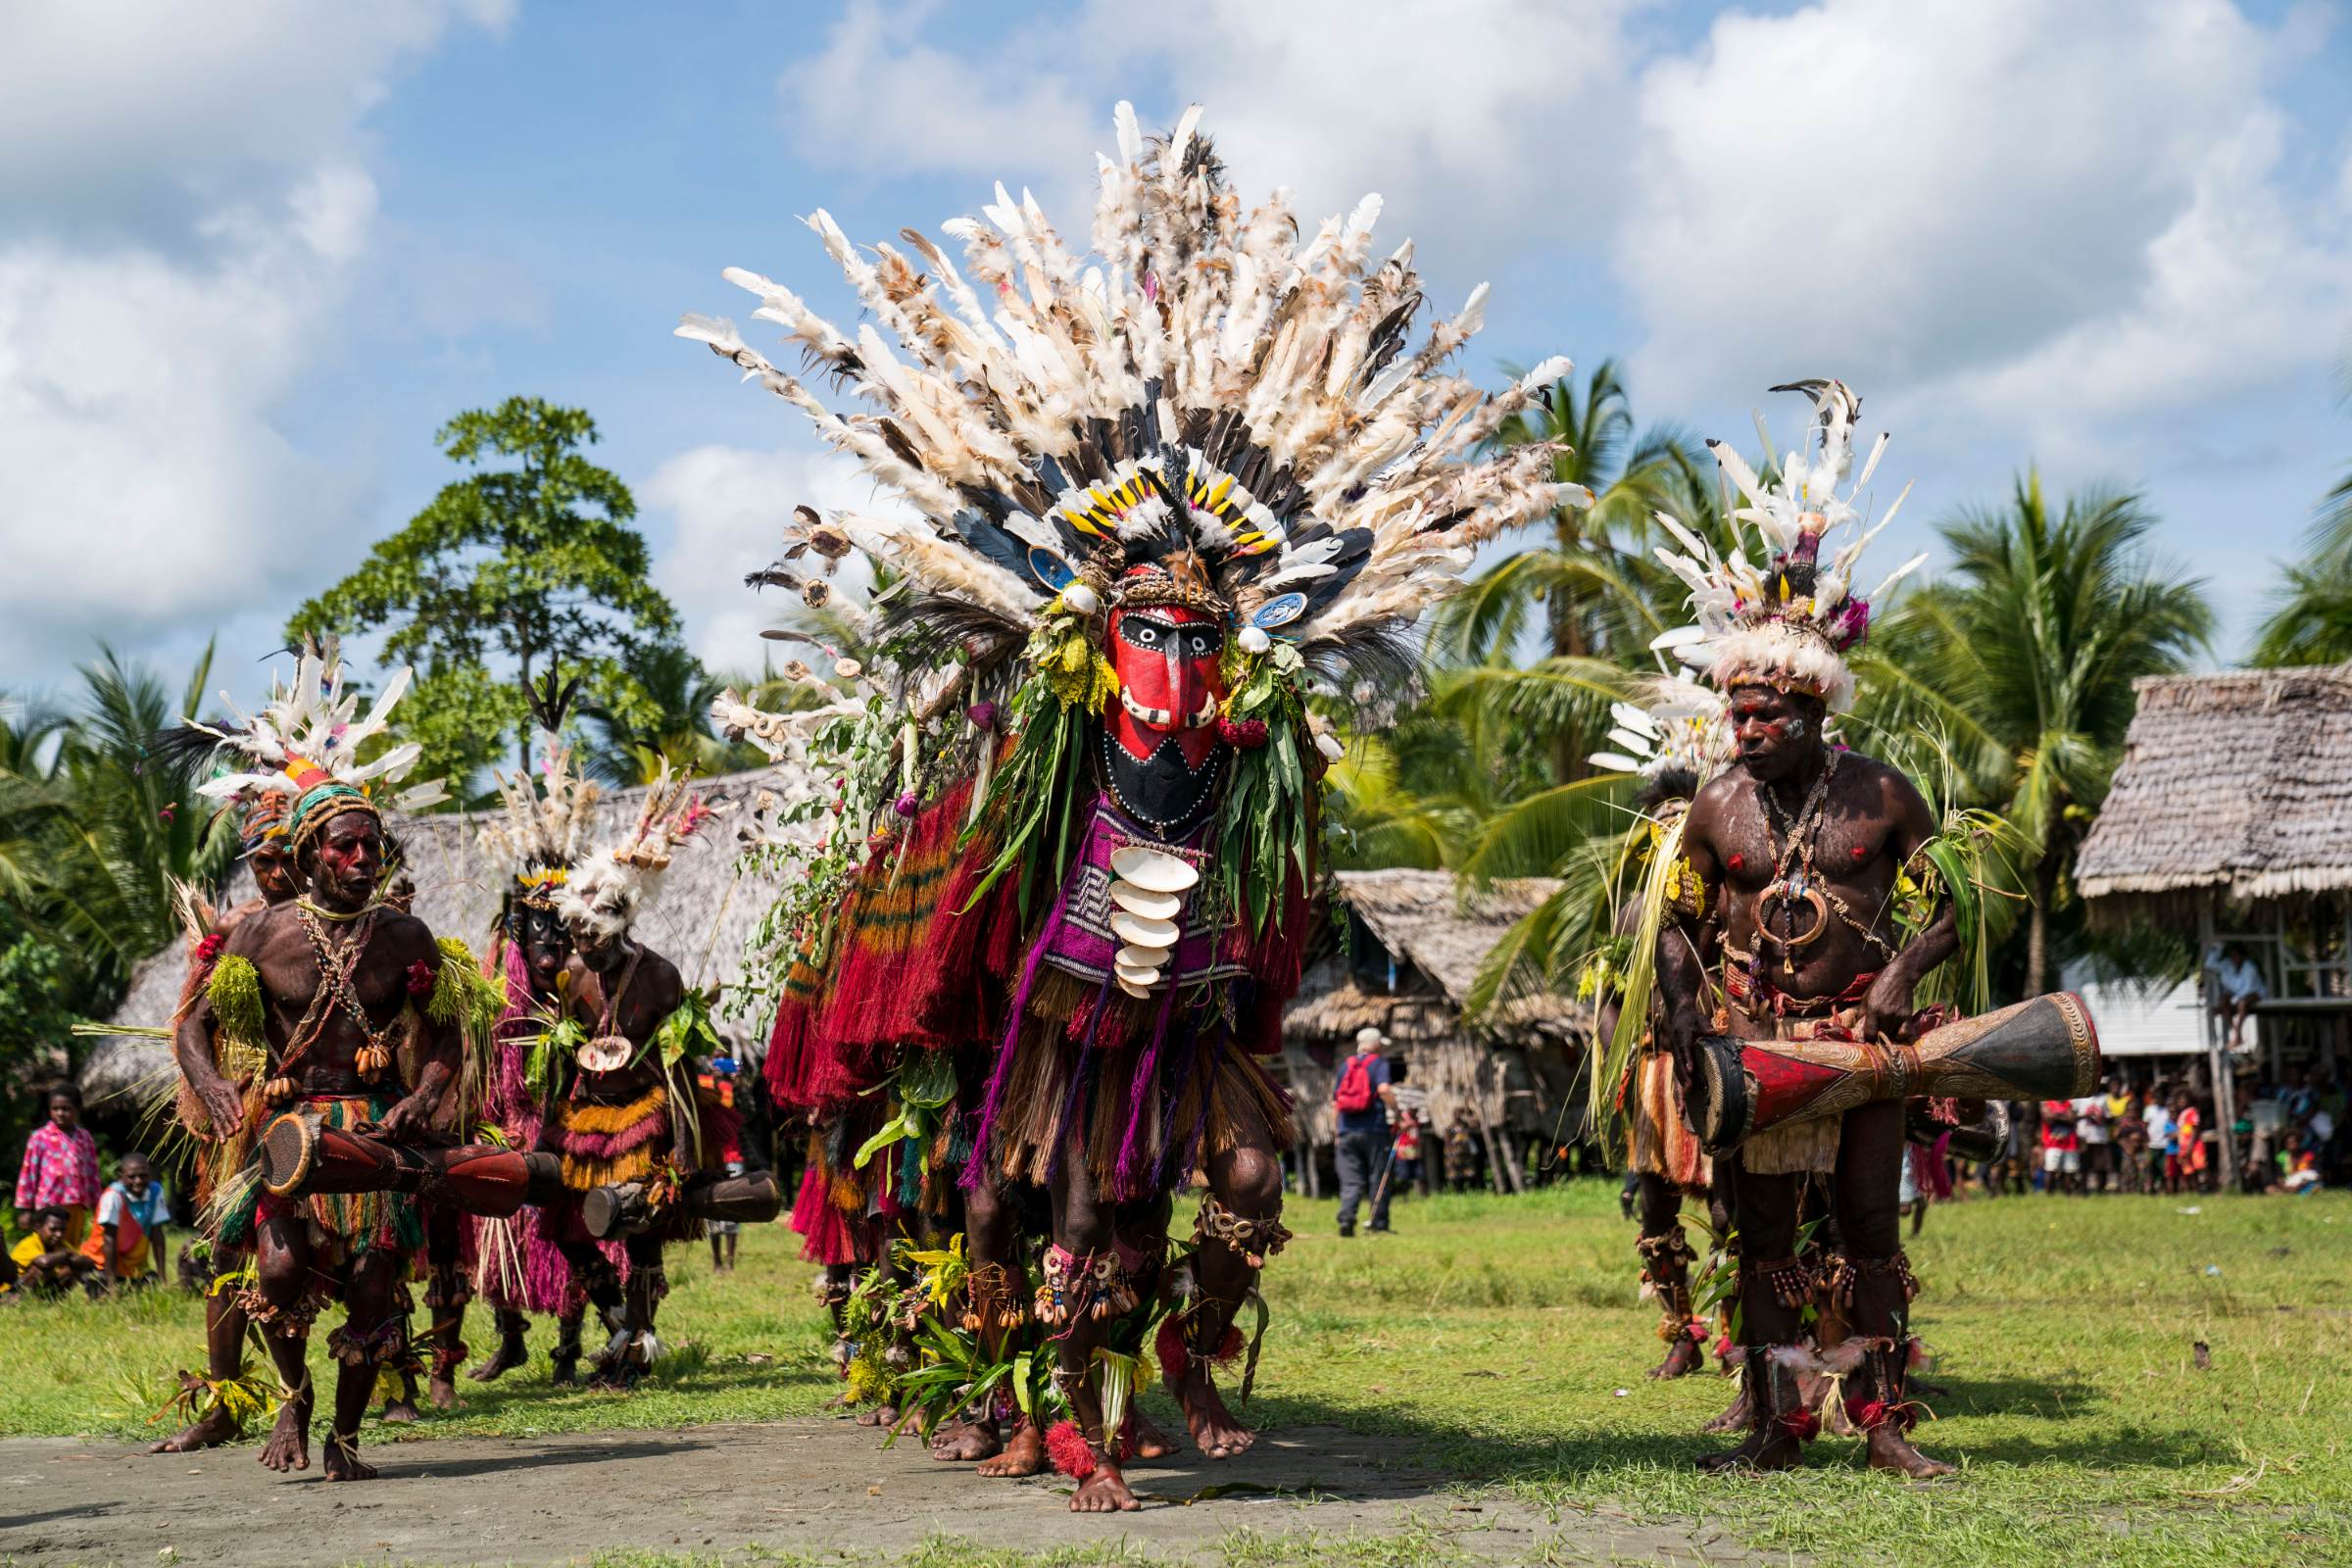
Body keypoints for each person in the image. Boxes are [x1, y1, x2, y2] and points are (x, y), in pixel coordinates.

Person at [689, 100, 1558, 1514]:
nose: (1178, 663)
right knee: (1056, 1210)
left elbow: (1280, 900)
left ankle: (1195, 1343)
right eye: (1151, 636)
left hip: (1196, 1015)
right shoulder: (1043, 750)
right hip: (1069, 1022)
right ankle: (1056, 1411)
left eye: (1204, 638)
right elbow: (981, 888)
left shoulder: (1259, 755)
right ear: (1097, 640)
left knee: (1256, 1181)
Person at [1654, 381, 1961, 1478]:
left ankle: (1880, 1424)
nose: (1745, 727)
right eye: (1735, 710)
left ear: (1816, 707)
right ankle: (1777, 1422)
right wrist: (1689, 1020)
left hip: (1864, 1042)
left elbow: (1953, 908)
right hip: (1760, 1042)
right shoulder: (1714, 801)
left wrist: (1900, 978)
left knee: (1871, 1228)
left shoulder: (1882, 796)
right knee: (1766, 1236)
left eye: (1766, 713)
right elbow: (1677, 923)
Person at [167, 644, 462, 1481]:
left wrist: (429, 1096)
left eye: (373, 846)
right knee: (281, 1267)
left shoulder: (405, 937)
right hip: (286, 1128)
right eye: (346, 848)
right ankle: (293, 1400)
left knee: (373, 1288)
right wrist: (217, 1086)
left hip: (377, 1127)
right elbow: (190, 1028)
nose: (365, 859)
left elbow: (448, 1036)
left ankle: (346, 1440)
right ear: (306, 854)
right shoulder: (257, 935)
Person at [541, 767, 731, 1389]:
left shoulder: (660, 976)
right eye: (575, 934)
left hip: (647, 1114)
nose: (583, 946)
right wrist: (550, 1125)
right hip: (589, 1120)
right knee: (570, 1227)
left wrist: (681, 1150)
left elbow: (679, 1066)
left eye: (592, 935)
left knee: (642, 1231)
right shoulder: (573, 978)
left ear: (621, 921)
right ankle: (622, 1319)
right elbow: (566, 1061)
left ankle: (634, 1351)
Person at [468, 729, 599, 1383]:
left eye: (559, 932)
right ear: (519, 933)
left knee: (570, 1239)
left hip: (576, 1136)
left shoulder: (589, 988)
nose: (548, 945)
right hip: (514, 1129)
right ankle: (510, 1335)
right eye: (536, 932)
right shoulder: (501, 993)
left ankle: (570, 1346)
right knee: (498, 1239)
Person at [15, 1083, 100, 1248]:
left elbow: (92, 1173)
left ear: (77, 1109)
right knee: (47, 1246)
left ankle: (69, 1274)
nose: (60, 1113)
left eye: (66, 1109)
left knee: (71, 1248)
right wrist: (25, 1209)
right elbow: (28, 1174)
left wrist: (97, 1206)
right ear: (50, 1109)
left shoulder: (84, 1137)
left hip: (75, 1206)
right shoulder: (39, 1137)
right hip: (49, 1205)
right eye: (55, 1109)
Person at [1333, 1028, 1398, 1238]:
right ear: (1377, 1045)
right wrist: (1398, 1113)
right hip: (1375, 1129)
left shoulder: (1345, 1065)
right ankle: (1378, 1224)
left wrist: (1337, 1132)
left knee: (1351, 1180)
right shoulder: (1379, 1064)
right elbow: (1384, 1089)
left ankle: (1346, 1219)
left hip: (1346, 1131)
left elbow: (1335, 1102)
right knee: (1378, 1177)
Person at [81, 1152, 167, 1287]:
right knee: (98, 1287)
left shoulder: (155, 1191)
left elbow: (157, 1234)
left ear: (149, 1175)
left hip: (131, 1267)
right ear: (121, 1177)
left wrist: (163, 1280)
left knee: (150, 1282)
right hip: (101, 1263)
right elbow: (109, 1239)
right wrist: (111, 1285)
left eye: (143, 1176)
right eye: (132, 1177)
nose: (138, 1181)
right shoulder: (113, 1196)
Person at [9, 1205, 99, 1299]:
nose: (59, 1234)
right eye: (53, 1229)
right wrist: (67, 1254)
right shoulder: (28, 1244)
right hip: (13, 1288)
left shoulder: (61, 1245)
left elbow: (86, 1261)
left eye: (63, 1230)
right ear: (37, 1226)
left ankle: (51, 1300)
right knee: (39, 1270)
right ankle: (15, 1301)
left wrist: (74, 1259)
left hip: (40, 1289)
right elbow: (44, 1262)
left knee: (72, 1268)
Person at [2208, 943, 2267, 1052]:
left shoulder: (2249, 968)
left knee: (2242, 1003)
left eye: (2236, 956)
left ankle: (2237, 1036)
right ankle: (2236, 1033)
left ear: (2243, 956)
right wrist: (2217, 948)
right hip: (2237, 995)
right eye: (2232, 955)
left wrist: (2234, 1000)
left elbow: (2247, 989)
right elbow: (2209, 965)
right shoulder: (2226, 964)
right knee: (2223, 1001)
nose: (2234, 958)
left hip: (2255, 993)